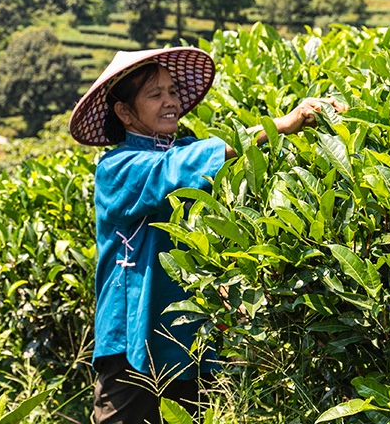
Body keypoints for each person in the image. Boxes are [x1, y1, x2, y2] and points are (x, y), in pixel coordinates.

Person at [69, 46, 344, 424]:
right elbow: (177, 168)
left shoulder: (184, 148)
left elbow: (208, 162)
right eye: (155, 94)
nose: (170, 102)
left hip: (188, 340)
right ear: (124, 111)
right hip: (133, 335)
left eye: (172, 91)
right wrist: (279, 124)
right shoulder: (118, 167)